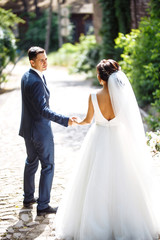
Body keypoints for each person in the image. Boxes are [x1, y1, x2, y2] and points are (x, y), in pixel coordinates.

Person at [55, 59, 160, 240]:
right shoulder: (124, 97)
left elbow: (88, 120)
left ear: (100, 78)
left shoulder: (94, 96)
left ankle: (96, 226)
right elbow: (131, 122)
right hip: (120, 139)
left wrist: (76, 121)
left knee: (95, 180)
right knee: (126, 181)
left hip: (99, 139)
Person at [19, 46, 75, 216]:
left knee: (31, 162)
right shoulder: (35, 81)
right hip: (40, 131)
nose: (45, 62)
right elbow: (43, 110)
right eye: (41, 60)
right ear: (32, 62)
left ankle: (28, 198)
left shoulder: (26, 75)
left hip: (28, 130)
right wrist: (65, 120)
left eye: (46, 59)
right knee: (48, 166)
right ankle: (43, 205)